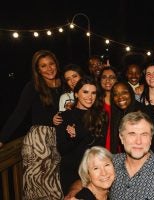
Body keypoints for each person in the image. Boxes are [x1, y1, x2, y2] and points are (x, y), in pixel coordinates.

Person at [0, 50, 64, 199]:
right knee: (37, 186)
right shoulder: (33, 87)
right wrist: (2, 139)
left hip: (60, 141)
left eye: (51, 64)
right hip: (38, 143)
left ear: (56, 64)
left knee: (57, 185)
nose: (49, 69)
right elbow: (18, 114)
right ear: (37, 70)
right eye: (43, 66)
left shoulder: (65, 84)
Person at [56, 76, 108, 195]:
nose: (90, 97)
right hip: (71, 170)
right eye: (85, 92)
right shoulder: (64, 117)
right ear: (76, 94)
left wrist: (78, 133)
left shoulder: (101, 116)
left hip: (93, 169)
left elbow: (99, 146)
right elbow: (62, 149)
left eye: (93, 93)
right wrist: (73, 138)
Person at [98, 66, 118, 151]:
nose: (107, 80)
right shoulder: (94, 101)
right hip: (99, 151)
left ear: (117, 80)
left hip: (118, 151)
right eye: (104, 77)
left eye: (112, 77)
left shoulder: (122, 101)